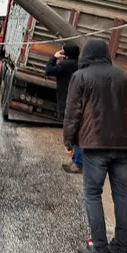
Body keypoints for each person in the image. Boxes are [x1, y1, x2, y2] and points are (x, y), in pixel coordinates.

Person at [64, 38, 127, 253]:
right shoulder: (126, 76)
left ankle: (100, 247)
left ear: (85, 55)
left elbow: (73, 112)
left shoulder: (80, 77)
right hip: (124, 145)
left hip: (95, 145)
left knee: (93, 194)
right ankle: (122, 247)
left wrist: (69, 141)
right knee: (121, 194)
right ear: (107, 54)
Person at [45, 43, 81, 172]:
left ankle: (77, 163)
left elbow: (48, 71)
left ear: (65, 54)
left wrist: (54, 57)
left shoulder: (64, 66)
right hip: (79, 104)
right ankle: (76, 161)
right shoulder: (81, 65)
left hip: (66, 103)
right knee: (78, 132)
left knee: (72, 134)